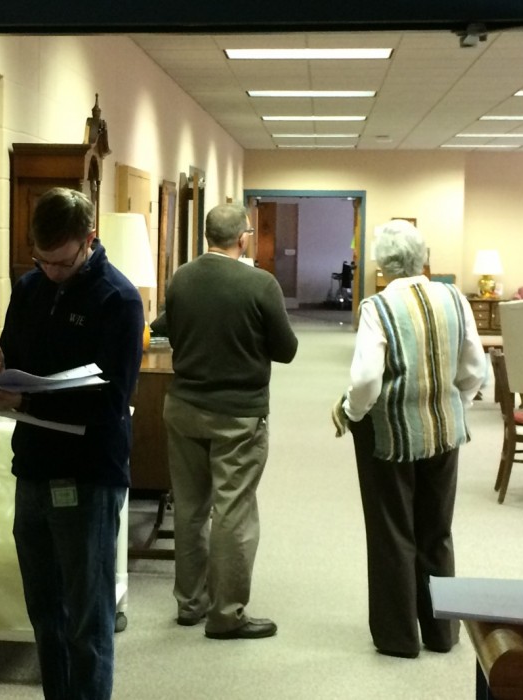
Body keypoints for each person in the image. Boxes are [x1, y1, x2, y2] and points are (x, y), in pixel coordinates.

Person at [0, 187, 144, 699]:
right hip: (33, 465)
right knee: (45, 613)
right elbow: (17, 355)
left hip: (89, 473)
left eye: (63, 262)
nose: (51, 272)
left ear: (90, 240)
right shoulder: (30, 288)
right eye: (42, 260)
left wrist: (27, 402)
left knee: (87, 619)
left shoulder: (118, 299)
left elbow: (111, 401)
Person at [331, 219, 485, 659]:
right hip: (445, 430)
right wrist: (455, 404)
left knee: (393, 531)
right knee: (437, 530)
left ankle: (398, 637)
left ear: (383, 266)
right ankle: (441, 632)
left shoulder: (378, 307)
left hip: (391, 435)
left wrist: (350, 411)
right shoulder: (454, 298)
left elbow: (366, 379)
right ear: (425, 260)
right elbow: (474, 368)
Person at [161, 203, 298, 640]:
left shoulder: (181, 278)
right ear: (243, 238)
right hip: (238, 416)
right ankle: (227, 614)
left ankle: (190, 604)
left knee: (190, 509)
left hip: (184, 408)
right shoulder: (260, 284)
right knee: (233, 512)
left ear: (207, 236)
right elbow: (287, 349)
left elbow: (166, 327)